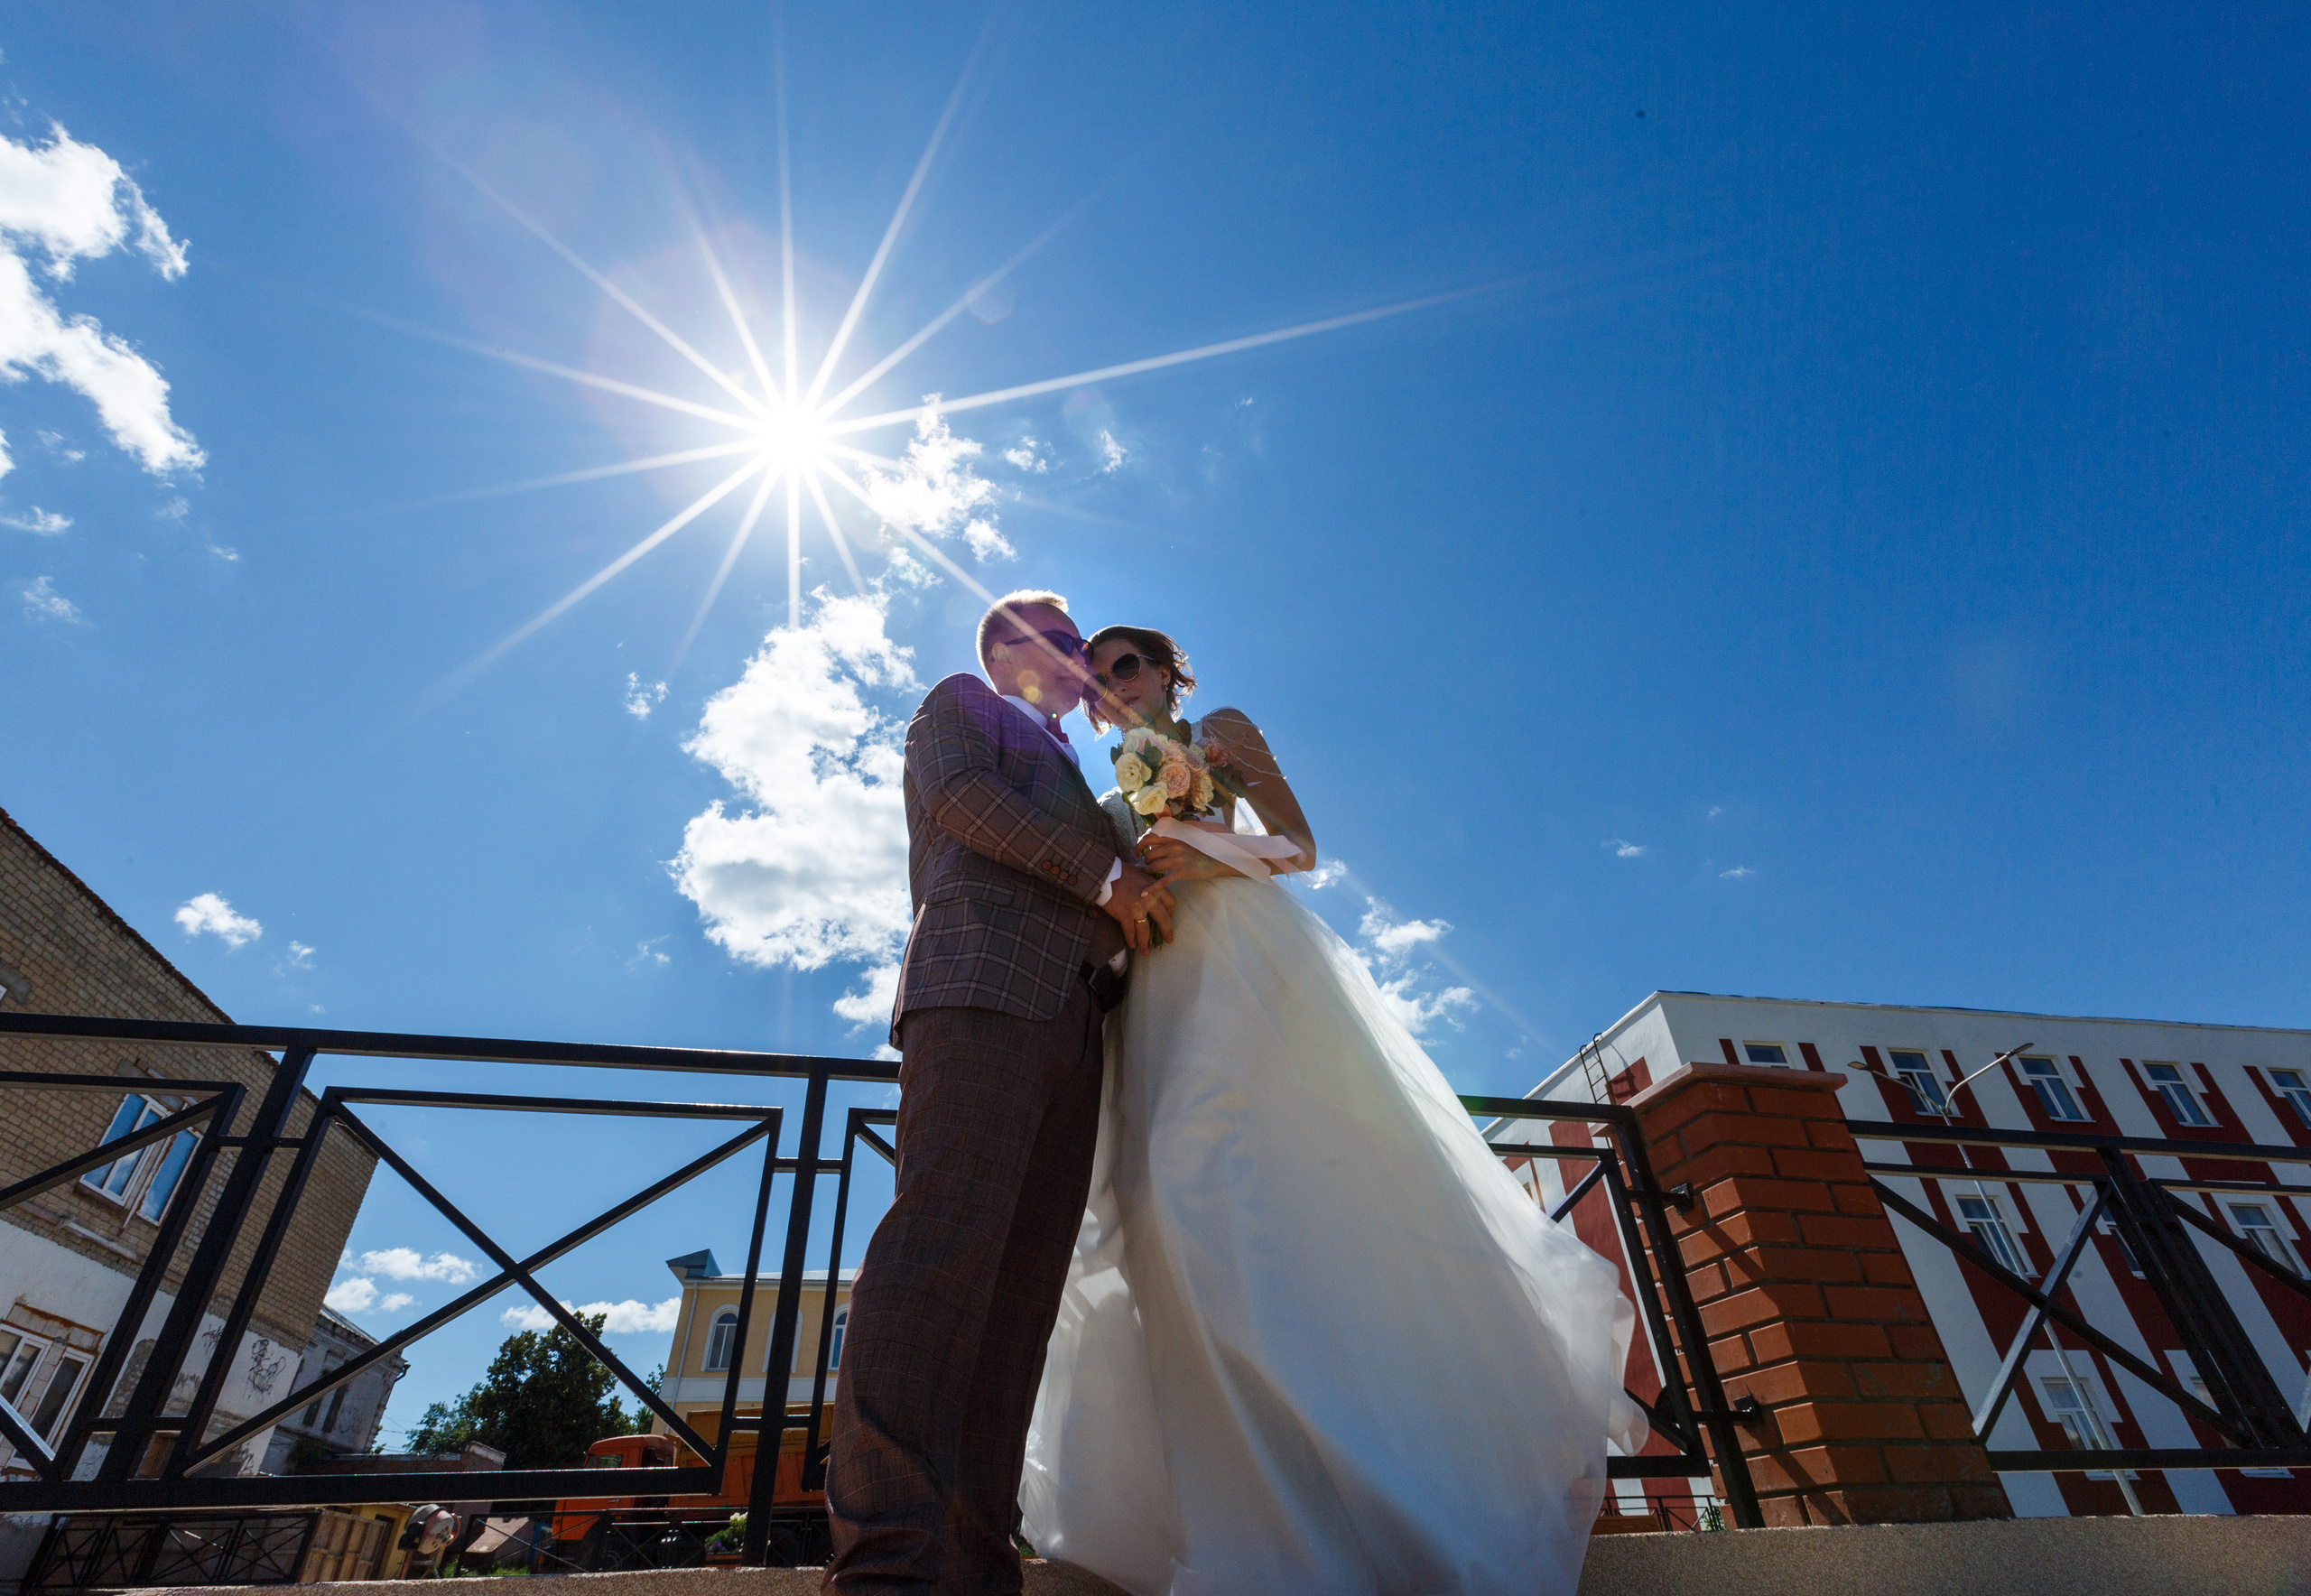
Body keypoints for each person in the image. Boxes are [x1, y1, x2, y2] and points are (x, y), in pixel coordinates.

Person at [1017, 625, 1640, 1596]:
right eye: (1096, 680)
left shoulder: (1222, 730)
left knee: (1236, 1193)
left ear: (1166, 670)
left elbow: (1300, 847)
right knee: (1164, 1214)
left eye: (1125, 664)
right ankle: (1236, 1504)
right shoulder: (1109, 787)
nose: (1111, 685)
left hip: (1245, 969)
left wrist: (1208, 854)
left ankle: (1356, 1486)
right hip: (1156, 990)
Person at [822, 591, 1177, 1594]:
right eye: (1066, 643)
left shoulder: (1079, 769)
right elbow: (964, 803)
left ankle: (977, 1566)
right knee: (937, 1254)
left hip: (1075, 1026)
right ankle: (888, 1565)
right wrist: (1109, 881)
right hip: (982, 989)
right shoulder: (962, 704)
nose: (1082, 663)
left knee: (1019, 1302)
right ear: (1008, 650)